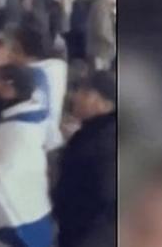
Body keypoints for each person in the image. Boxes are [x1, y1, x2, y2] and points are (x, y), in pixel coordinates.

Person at [0, 65, 54, 247]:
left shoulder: (17, 132)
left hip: (16, 226)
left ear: (9, 88)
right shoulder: (31, 117)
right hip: (37, 219)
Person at [53, 71, 116, 247]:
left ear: (103, 103)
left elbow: (105, 200)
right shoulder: (94, 133)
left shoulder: (105, 144)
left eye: (85, 93)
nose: (76, 97)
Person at [86, 0, 116, 71]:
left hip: (102, 50)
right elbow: (102, 29)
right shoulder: (101, 7)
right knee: (100, 74)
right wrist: (113, 41)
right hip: (100, 50)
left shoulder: (104, 6)